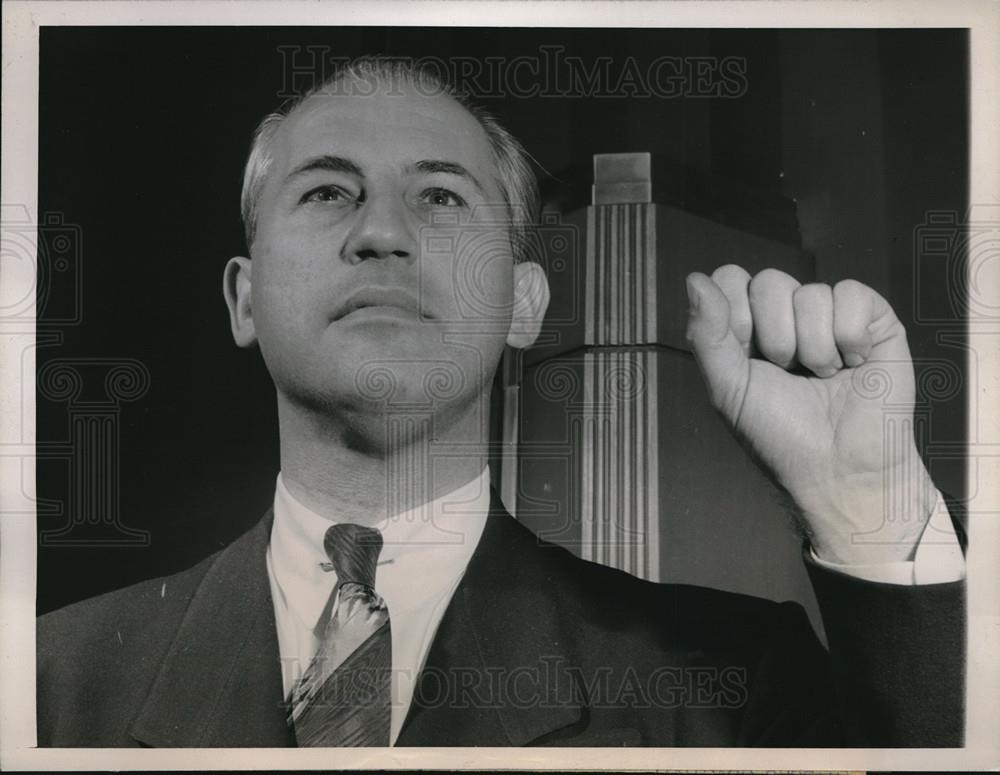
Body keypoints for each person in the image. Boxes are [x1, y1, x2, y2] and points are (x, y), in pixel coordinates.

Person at [36, 57, 965, 748]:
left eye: (440, 197)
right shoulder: (45, 683)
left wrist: (868, 511)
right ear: (244, 297)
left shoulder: (727, 686)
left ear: (525, 303)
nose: (382, 233)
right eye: (327, 191)